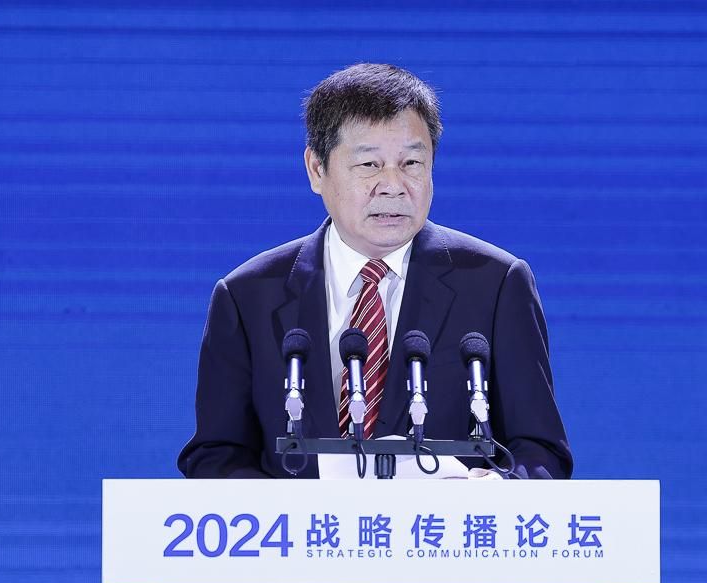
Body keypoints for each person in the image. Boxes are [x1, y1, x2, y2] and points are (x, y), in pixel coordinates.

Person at [178, 63, 571, 480]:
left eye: (412, 162)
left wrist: (500, 489)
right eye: (369, 165)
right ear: (316, 169)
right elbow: (217, 456)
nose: (393, 185)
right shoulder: (248, 296)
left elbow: (540, 451)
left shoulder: (496, 283)